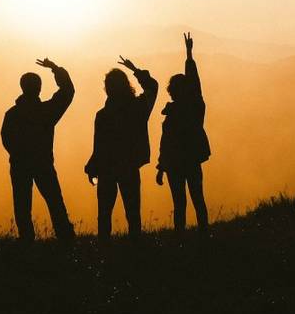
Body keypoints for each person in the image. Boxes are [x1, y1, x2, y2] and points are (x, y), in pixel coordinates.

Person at [0, 57, 76, 242]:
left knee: (22, 205)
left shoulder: (12, 114)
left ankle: (26, 240)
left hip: (19, 164)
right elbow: (68, 91)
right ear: (39, 88)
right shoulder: (46, 111)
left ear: (22, 87)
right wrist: (55, 69)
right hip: (43, 163)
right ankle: (65, 237)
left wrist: (18, 154)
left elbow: (6, 139)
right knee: (55, 202)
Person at [84, 56, 158, 241]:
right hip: (130, 166)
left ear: (107, 88)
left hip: (107, 169)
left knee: (104, 214)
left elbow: (98, 145)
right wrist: (135, 70)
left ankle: (104, 249)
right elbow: (152, 87)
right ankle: (135, 251)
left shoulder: (102, 115)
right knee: (133, 213)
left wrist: (92, 167)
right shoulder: (139, 107)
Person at [155, 32, 210, 235]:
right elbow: (195, 84)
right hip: (191, 160)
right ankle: (204, 234)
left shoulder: (178, 112)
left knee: (180, 203)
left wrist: (161, 167)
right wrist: (188, 55)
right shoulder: (196, 106)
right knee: (197, 199)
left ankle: (181, 238)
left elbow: (166, 143)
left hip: (175, 164)